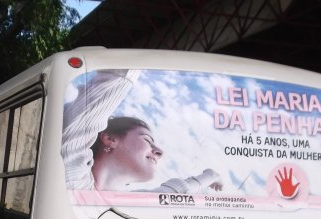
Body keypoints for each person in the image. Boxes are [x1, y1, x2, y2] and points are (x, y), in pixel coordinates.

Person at [62, 69, 222, 193]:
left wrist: (211, 175)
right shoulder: (72, 177)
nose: (159, 152)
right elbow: (116, 78)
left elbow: (173, 193)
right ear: (110, 138)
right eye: (147, 139)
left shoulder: (134, 206)